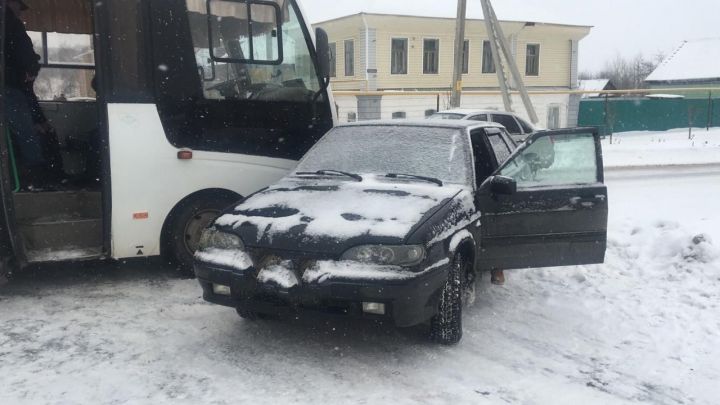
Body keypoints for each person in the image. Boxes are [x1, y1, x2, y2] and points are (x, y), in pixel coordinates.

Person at [4, 0, 61, 189]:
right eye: (19, 8)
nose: (20, 13)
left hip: (13, 85)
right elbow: (24, 53)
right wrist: (29, 67)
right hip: (9, 86)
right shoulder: (10, 24)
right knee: (27, 133)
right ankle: (36, 176)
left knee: (29, 131)